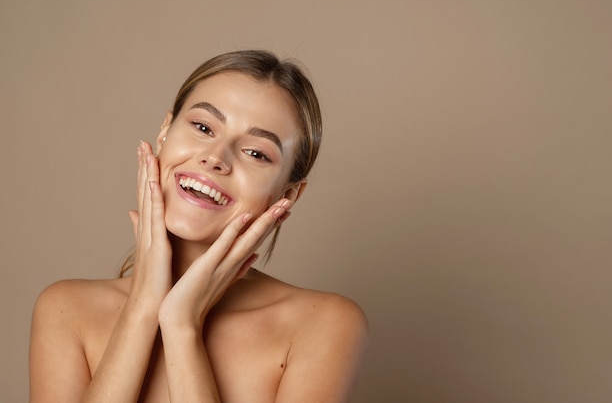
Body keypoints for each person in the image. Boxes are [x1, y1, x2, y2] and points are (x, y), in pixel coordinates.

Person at [29, 50, 368, 402]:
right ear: (164, 132)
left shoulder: (323, 325)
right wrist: (143, 308)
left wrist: (182, 326)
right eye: (203, 127)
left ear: (289, 194)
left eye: (256, 153)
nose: (216, 158)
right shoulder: (65, 310)